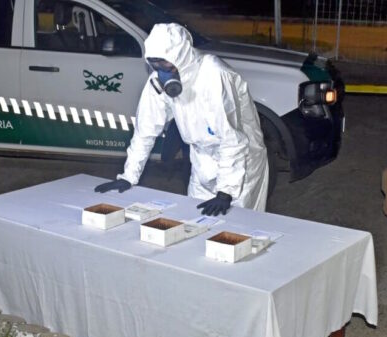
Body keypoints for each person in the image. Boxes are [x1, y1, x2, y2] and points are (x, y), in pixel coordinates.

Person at [95, 23, 269, 216]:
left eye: (166, 63)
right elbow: (145, 131)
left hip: (241, 161)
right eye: (155, 63)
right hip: (201, 159)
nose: (161, 70)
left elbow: (232, 140)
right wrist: (128, 176)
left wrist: (226, 191)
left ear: (181, 56)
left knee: (238, 224)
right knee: (196, 221)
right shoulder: (158, 81)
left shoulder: (213, 75)